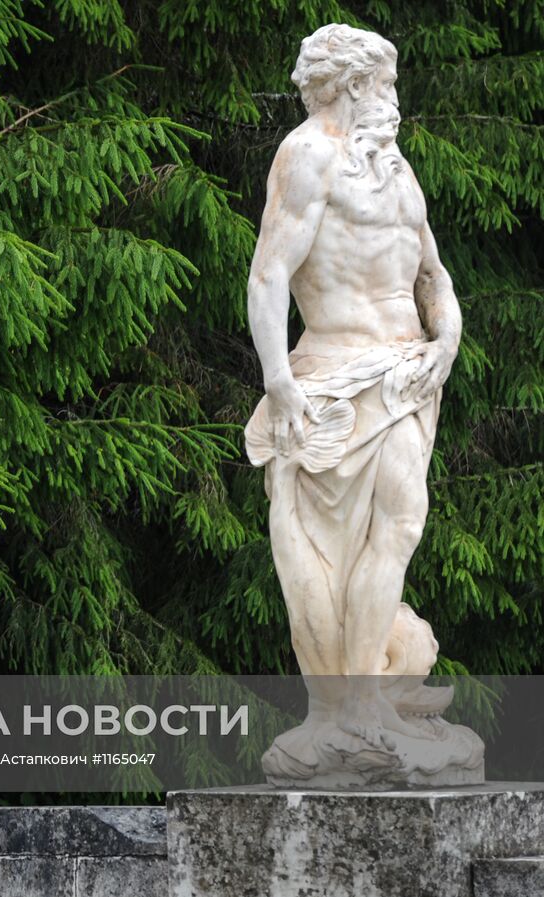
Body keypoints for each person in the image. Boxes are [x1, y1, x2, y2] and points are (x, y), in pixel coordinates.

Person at [245, 24, 477, 776]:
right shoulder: (308, 154)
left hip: (407, 377)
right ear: (350, 87)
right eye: (386, 86)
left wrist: (444, 344)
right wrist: (277, 380)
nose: (396, 101)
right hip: (333, 381)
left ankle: (370, 705)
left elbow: (433, 276)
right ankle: (339, 713)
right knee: (317, 551)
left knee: (398, 531)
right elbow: (269, 275)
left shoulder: (395, 167)